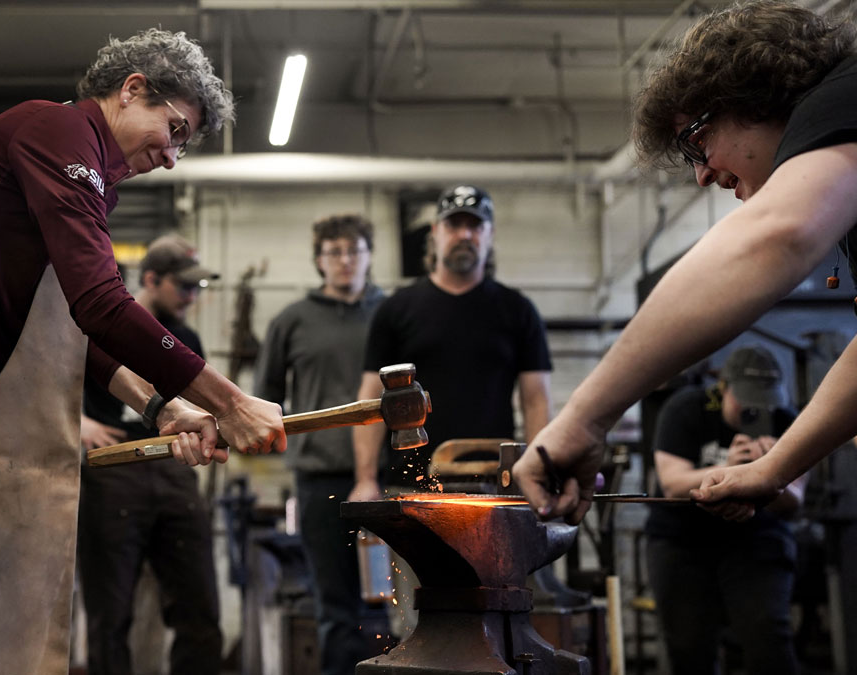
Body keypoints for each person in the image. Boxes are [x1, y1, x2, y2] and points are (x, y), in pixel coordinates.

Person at [0, 29, 285, 674]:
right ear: (133, 89)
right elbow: (101, 304)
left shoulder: (69, 169)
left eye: (184, 144)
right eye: (174, 129)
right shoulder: (57, 133)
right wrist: (230, 402)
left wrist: (162, 408)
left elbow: (72, 327)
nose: (172, 157)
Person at [511, 1, 857, 525]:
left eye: (698, 141)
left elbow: (773, 237)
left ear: (755, 93)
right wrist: (774, 468)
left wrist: (582, 419)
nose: (702, 175)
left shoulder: (844, 98)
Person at [347, 185, 553, 633]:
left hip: (494, 491)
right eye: (454, 225)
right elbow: (371, 398)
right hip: (412, 491)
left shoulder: (517, 311)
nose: (465, 234)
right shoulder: (397, 310)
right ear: (435, 235)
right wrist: (365, 478)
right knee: (416, 625)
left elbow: (536, 398)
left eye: (475, 226)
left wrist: (538, 468)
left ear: (489, 235)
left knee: (495, 621)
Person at [77, 235, 223, 675]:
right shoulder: (102, 327)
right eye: (184, 286)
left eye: (197, 287)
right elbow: (48, 381)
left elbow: (199, 407)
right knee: (110, 614)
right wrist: (77, 422)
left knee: (199, 610)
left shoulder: (187, 337)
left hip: (173, 469)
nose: (191, 296)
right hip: (113, 469)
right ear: (151, 279)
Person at [253, 214, 385, 675]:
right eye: (334, 252)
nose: (345, 260)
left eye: (354, 250)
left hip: (391, 478)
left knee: (400, 602)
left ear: (369, 256)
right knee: (334, 606)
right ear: (319, 260)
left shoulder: (392, 314)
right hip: (319, 478)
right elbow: (264, 400)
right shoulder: (292, 321)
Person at [646, 345, 808, 675]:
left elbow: (795, 501)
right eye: (745, 399)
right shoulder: (686, 409)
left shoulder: (786, 420)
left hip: (755, 539)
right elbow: (673, 483)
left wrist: (770, 473)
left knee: (768, 637)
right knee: (689, 647)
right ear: (723, 388)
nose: (754, 408)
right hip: (682, 539)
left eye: (763, 399)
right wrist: (730, 470)